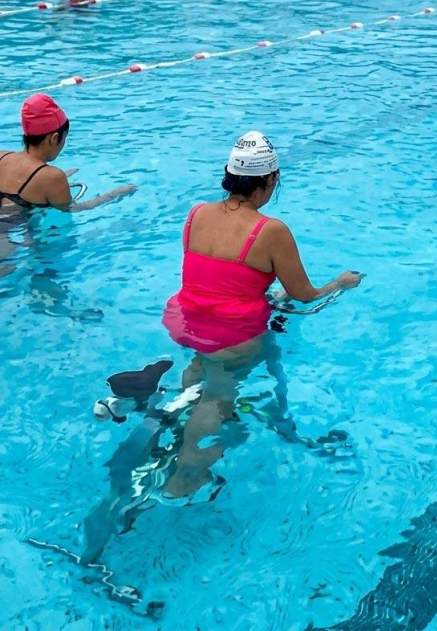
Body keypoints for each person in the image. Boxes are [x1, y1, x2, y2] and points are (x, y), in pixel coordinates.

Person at [161, 130, 361, 495]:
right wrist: (340, 284)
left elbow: (216, 279)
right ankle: (187, 471)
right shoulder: (271, 231)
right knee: (220, 392)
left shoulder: (196, 214)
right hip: (233, 335)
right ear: (269, 181)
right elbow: (305, 297)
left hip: (186, 321)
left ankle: (175, 425)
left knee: (202, 366)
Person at [0, 93, 136, 214]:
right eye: (64, 138)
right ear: (54, 138)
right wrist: (113, 195)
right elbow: (72, 209)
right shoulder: (53, 177)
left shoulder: (2, 156)